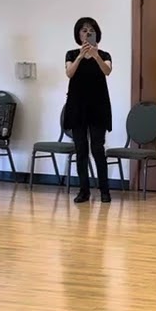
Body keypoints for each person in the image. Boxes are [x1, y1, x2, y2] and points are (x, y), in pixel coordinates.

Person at [63, 17, 113, 203]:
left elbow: (107, 71)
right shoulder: (70, 54)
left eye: (90, 30)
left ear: (96, 33)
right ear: (78, 34)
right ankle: (83, 190)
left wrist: (95, 55)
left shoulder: (105, 54)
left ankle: (104, 190)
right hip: (77, 106)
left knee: (97, 148)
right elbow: (69, 73)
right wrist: (80, 56)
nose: (87, 33)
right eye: (83, 30)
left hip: (98, 106)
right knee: (81, 149)